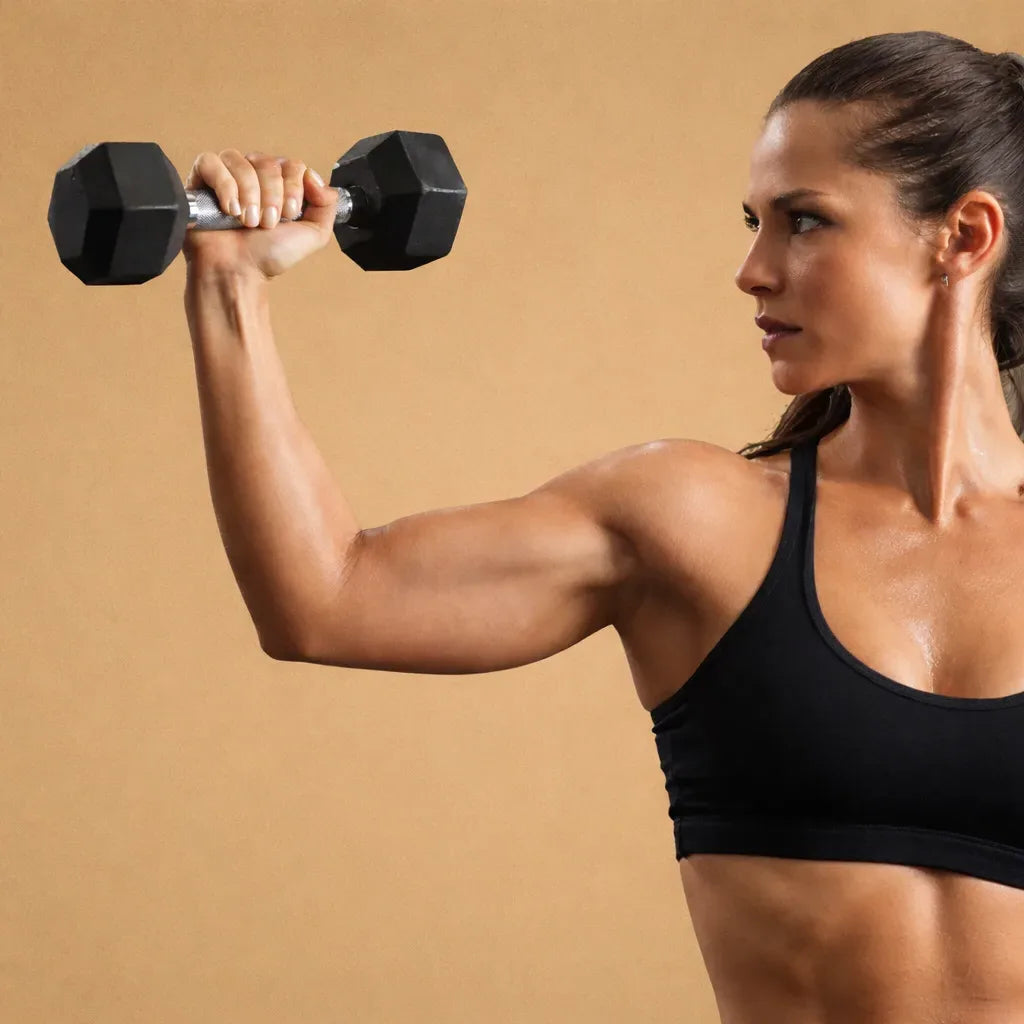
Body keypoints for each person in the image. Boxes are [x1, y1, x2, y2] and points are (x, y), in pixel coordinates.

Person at [182, 31, 1024, 1023]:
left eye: (805, 221)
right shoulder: (695, 521)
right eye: (753, 222)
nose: (752, 270)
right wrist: (229, 287)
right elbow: (323, 600)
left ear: (964, 236)